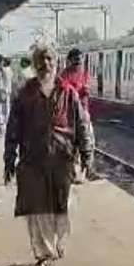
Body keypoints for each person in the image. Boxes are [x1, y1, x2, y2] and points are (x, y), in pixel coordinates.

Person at [4, 45, 88, 266]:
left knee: (62, 209)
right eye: (40, 60)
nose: (45, 64)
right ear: (34, 64)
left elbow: (81, 124)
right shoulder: (25, 93)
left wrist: (87, 155)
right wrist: (9, 159)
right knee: (37, 211)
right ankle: (43, 255)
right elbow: (13, 129)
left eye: (49, 59)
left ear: (56, 62)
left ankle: (56, 242)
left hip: (62, 159)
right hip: (32, 160)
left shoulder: (67, 92)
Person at [58, 48, 99, 182]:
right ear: (69, 61)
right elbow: (65, 93)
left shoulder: (84, 74)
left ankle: (89, 170)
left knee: (89, 141)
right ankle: (73, 173)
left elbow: (87, 88)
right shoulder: (64, 75)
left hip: (84, 112)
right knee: (73, 144)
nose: (78, 62)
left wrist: (86, 91)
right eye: (76, 59)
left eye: (80, 59)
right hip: (70, 114)